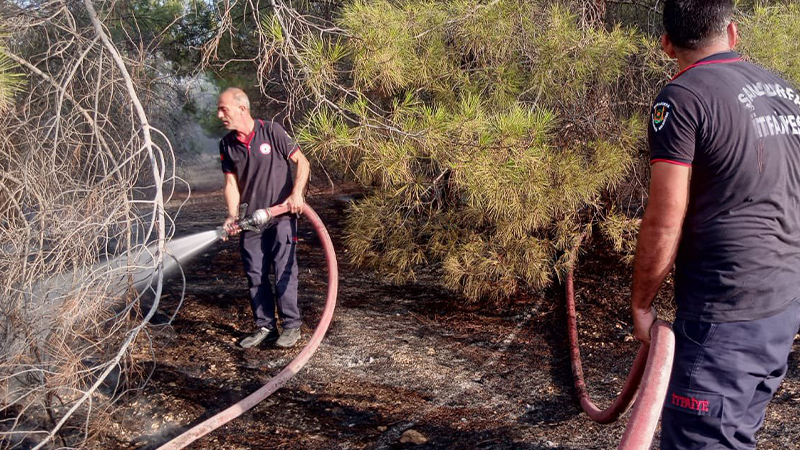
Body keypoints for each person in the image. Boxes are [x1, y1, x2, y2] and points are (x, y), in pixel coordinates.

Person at [630, 0, 800, 448]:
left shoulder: (682, 97)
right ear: (733, 32)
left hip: (724, 313)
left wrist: (642, 304)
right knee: (737, 431)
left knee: (702, 440)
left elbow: (665, 219)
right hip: (780, 302)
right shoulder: (782, 89)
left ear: (667, 44)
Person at [217, 87, 310, 349]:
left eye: (224, 109)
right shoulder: (227, 144)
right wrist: (232, 215)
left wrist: (296, 194)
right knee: (255, 273)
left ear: (241, 108)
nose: (219, 114)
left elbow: (302, 162)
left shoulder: (272, 131)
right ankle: (265, 327)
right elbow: (231, 184)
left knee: (284, 270)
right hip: (251, 222)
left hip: (281, 217)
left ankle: (291, 326)